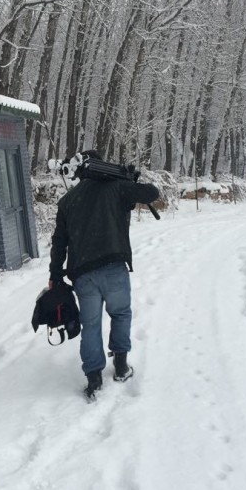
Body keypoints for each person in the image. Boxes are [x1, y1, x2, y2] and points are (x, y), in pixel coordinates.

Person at [48, 152, 160, 400]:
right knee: (120, 314)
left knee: (91, 325)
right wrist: (129, 179)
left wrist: (55, 275)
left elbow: (59, 242)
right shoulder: (116, 187)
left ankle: (94, 379)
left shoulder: (67, 201)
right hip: (113, 267)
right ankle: (121, 366)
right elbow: (152, 193)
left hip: (83, 274)